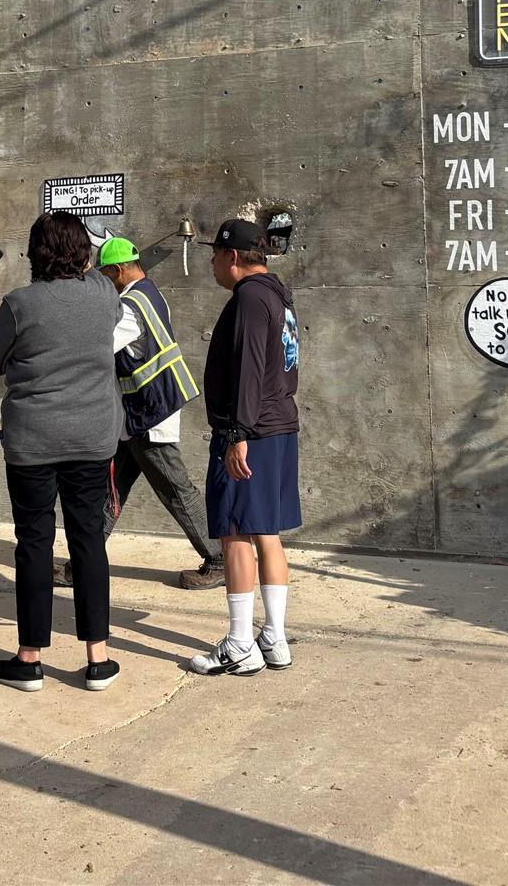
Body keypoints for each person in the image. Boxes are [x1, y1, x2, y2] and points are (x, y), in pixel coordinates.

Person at [0, 211, 122, 693]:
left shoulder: (19, 304)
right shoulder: (103, 295)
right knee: (89, 541)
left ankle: (30, 660)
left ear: (34, 254)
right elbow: (104, 267)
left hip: (32, 440)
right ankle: (98, 658)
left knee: (34, 544)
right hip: (92, 438)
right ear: (83, 252)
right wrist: (94, 249)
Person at [56, 237, 224, 590]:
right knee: (108, 493)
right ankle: (80, 565)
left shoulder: (131, 308)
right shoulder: (149, 293)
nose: (103, 282)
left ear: (118, 270)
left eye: (105, 275)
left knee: (176, 490)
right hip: (137, 415)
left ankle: (220, 559)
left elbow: (98, 348)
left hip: (149, 416)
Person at [188, 218, 302, 677]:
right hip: (277, 427)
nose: (212, 263)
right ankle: (274, 638)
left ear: (232, 256)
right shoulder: (277, 295)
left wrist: (237, 434)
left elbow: (250, 368)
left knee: (234, 531)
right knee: (266, 531)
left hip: (250, 433)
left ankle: (239, 644)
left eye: (214, 254)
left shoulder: (250, 298)